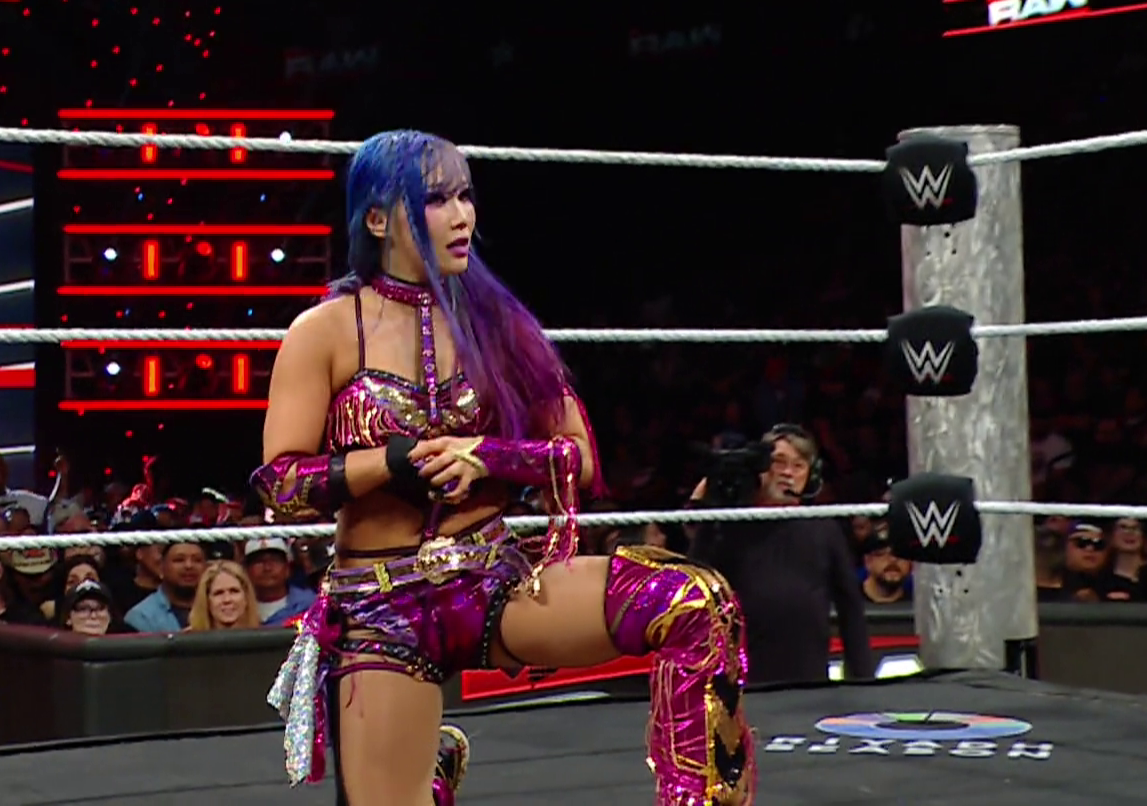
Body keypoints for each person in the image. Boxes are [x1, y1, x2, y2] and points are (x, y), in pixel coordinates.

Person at [252, 131, 753, 806]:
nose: (463, 216)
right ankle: (427, 778)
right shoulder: (325, 331)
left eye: (466, 196)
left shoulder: (498, 324)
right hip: (380, 607)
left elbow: (578, 456)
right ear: (376, 219)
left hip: (495, 580)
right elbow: (281, 485)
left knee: (697, 603)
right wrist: (390, 462)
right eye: (437, 200)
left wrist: (487, 456)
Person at [687, 425, 873, 686]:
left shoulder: (823, 527)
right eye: (779, 462)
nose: (788, 473)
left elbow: (850, 609)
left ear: (810, 475)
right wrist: (708, 509)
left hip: (809, 680)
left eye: (798, 466)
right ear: (761, 468)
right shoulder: (732, 526)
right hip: (744, 682)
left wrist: (863, 681)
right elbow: (695, 584)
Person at [189, 560, 261, 631]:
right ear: (206, 600)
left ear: (246, 597)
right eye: (218, 593)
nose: (227, 599)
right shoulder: (187, 637)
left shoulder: (263, 636)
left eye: (234, 591)